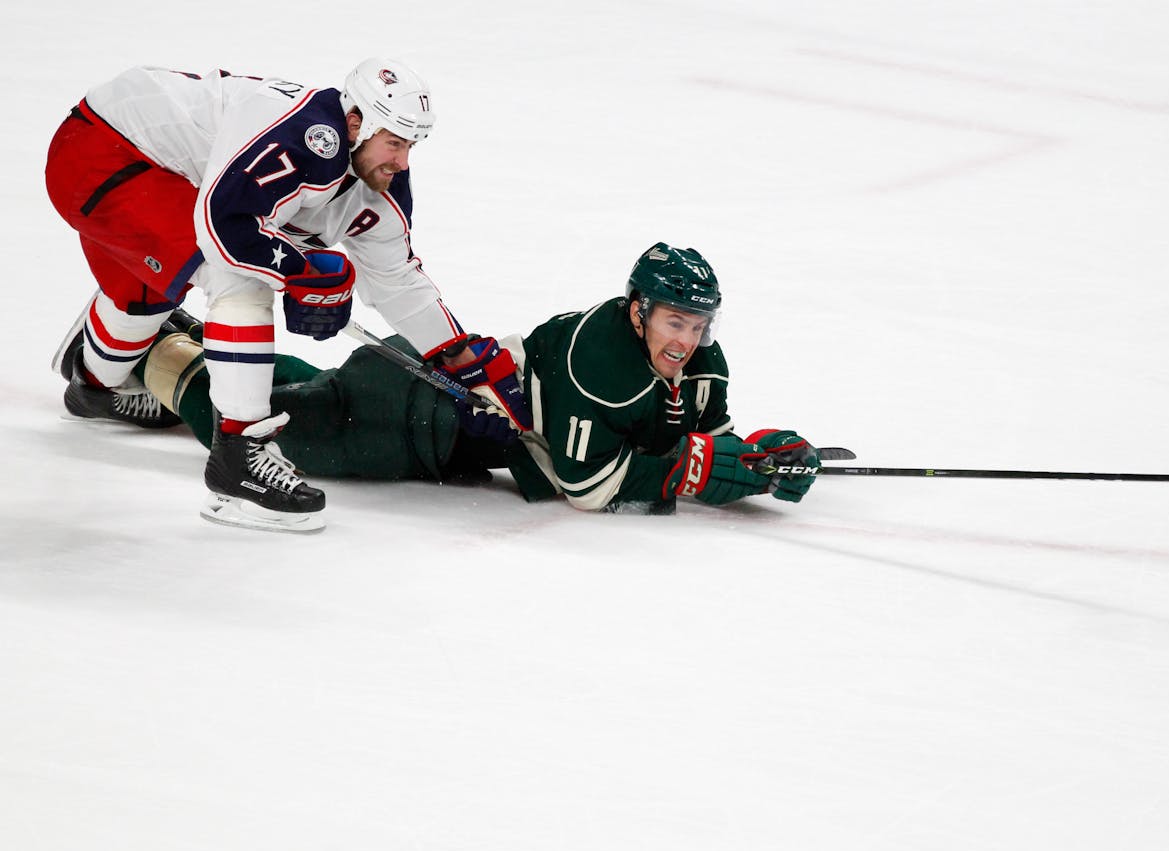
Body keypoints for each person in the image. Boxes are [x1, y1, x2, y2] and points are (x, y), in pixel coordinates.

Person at [45, 59, 530, 532]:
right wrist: (302, 272)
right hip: (106, 152)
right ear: (356, 123)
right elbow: (225, 225)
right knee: (240, 282)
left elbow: (396, 278)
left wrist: (463, 358)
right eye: (395, 143)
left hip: (147, 161)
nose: (402, 162)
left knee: (144, 296)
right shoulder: (306, 138)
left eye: (411, 147)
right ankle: (239, 460)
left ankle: (93, 386)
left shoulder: (375, 179)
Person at [136, 243, 820, 522]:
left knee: (311, 387)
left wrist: (761, 458)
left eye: (700, 325)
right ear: (639, 310)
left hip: (428, 414)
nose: (688, 340)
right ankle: (154, 354)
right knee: (272, 426)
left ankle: (184, 332)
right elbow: (588, 486)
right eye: (675, 321)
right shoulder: (599, 356)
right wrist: (694, 473)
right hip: (412, 416)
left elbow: (701, 438)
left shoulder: (700, 360)